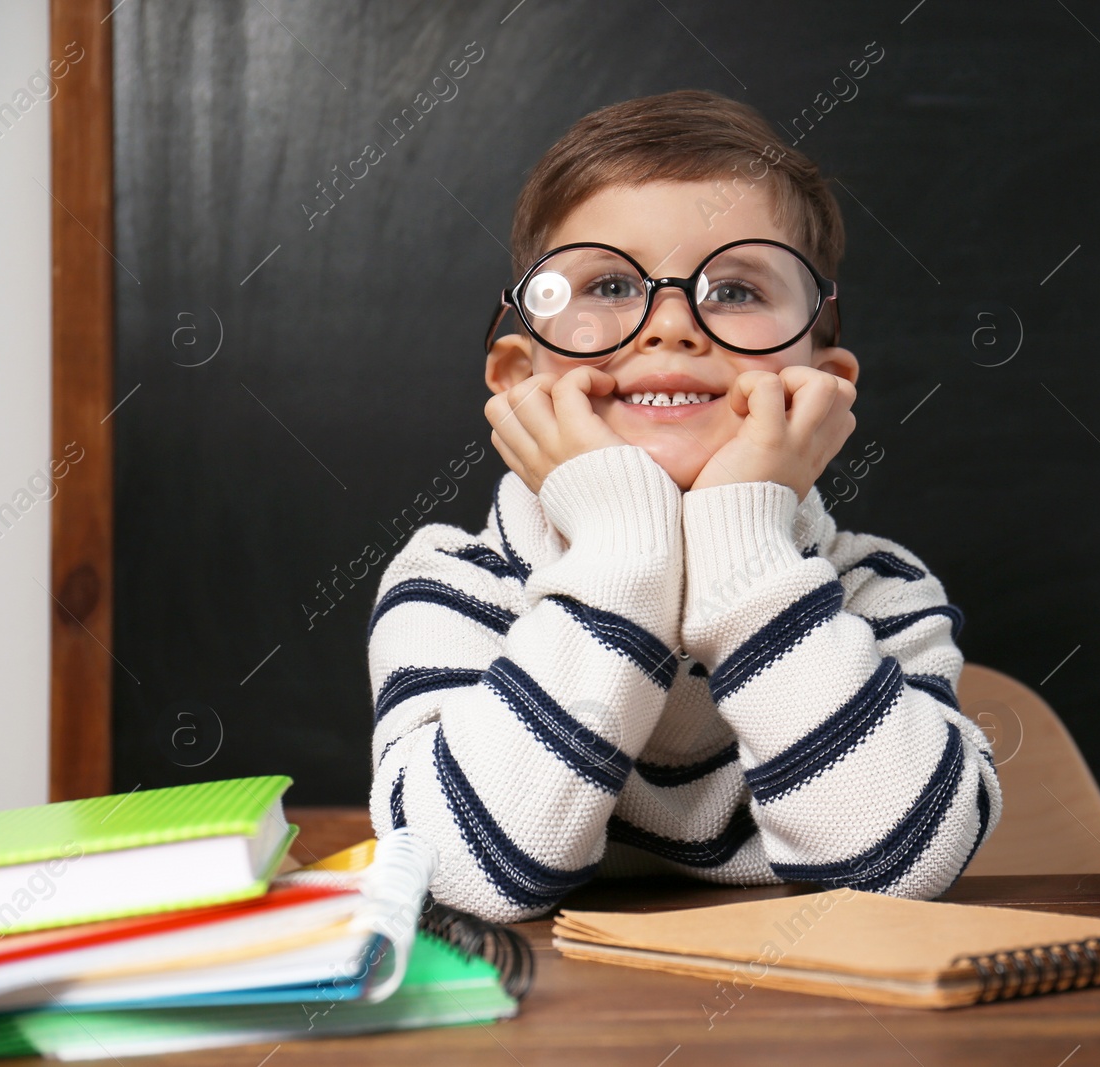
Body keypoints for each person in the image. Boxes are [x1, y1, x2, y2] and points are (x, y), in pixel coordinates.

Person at [365, 89, 1003, 923]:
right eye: (608, 283)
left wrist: (746, 548)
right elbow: (459, 875)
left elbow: (898, 869)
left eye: (735, 291)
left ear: (824, 385)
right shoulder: (453, 582)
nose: (670, 324)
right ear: (520, 379)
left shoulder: (875, 587)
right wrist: (626, 554)